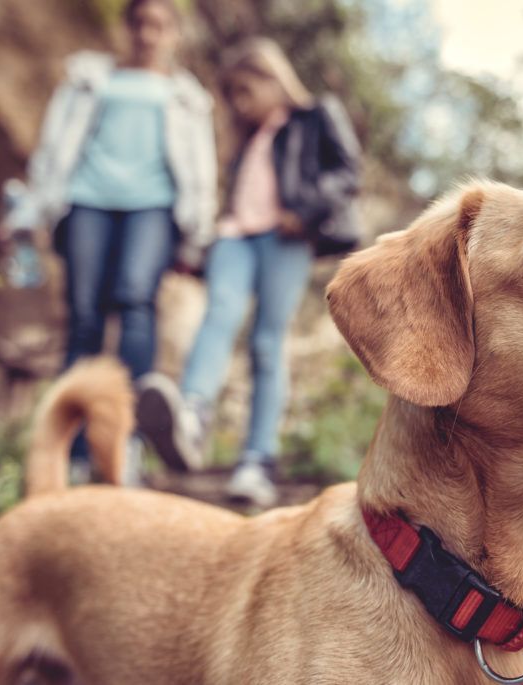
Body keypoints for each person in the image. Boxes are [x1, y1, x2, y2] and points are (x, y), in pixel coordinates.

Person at [136, 37, 361, 507]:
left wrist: (305, 210)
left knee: (266, 341)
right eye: (233, 95)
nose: (240, 104)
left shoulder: (315, 116)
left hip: (286, 238)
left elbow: (347, 172)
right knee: (218, 314)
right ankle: (192, 418)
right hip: (236, 237)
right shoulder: (247, 142)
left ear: (272, 78)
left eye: (245, 91)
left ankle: (257, 460)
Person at [0, 0, 216, 482]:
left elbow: (201, 167)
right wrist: (29, 211)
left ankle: (127, 443)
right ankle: (73, 452)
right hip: (86, 201)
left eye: (159, 25)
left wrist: (196, 233)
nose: (148, 34)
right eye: (140, 23)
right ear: (127, 27)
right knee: (84, 318)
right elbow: (53, 150)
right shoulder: (88, 79)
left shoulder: (185, 96)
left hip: (154, 208)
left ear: (174, 35)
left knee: (136, 302)